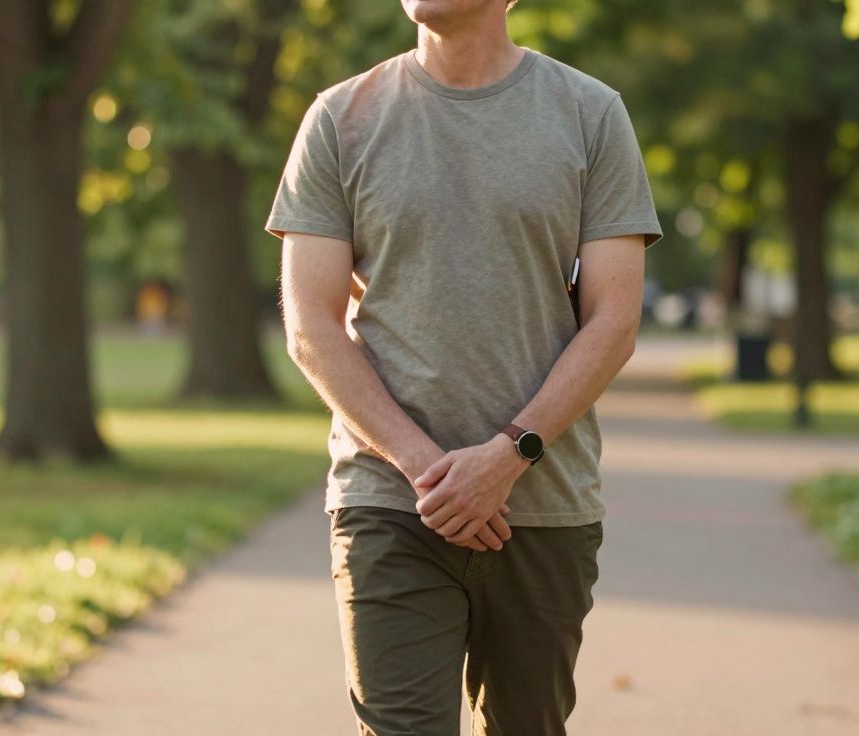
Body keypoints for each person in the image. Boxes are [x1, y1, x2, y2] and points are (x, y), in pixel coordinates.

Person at [266, 1, 662, 733]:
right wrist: (429, 471)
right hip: (391, 500)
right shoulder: (339, 119)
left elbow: (614, 322)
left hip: (541, 503)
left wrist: (509, 456)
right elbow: (312, 326)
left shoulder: (590, 114)